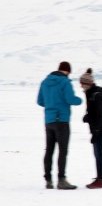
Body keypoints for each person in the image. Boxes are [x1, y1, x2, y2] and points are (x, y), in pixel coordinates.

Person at [37, 61, 82, 190]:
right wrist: (80, 100)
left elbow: (40, 101)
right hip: (62, 121)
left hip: (49, 121)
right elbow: (70, 99)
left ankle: (48, 180)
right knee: (63, 151)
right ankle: (61, 180)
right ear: (67, 71)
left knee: (49, 150)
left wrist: (51, 106)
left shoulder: (45, 82)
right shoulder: (65, 82)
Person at [80, 68, 102, 189]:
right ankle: (99, 178)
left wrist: (95, 131)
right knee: (97, 154)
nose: (81, 86)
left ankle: (100, 180)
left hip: (99, 129)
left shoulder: (95, 94)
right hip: (97, 128)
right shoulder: (90, 93)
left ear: (87, 83)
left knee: (98, 155)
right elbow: (93, 112)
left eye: (82, 83)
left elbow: (99, 113)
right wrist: (88, 117)